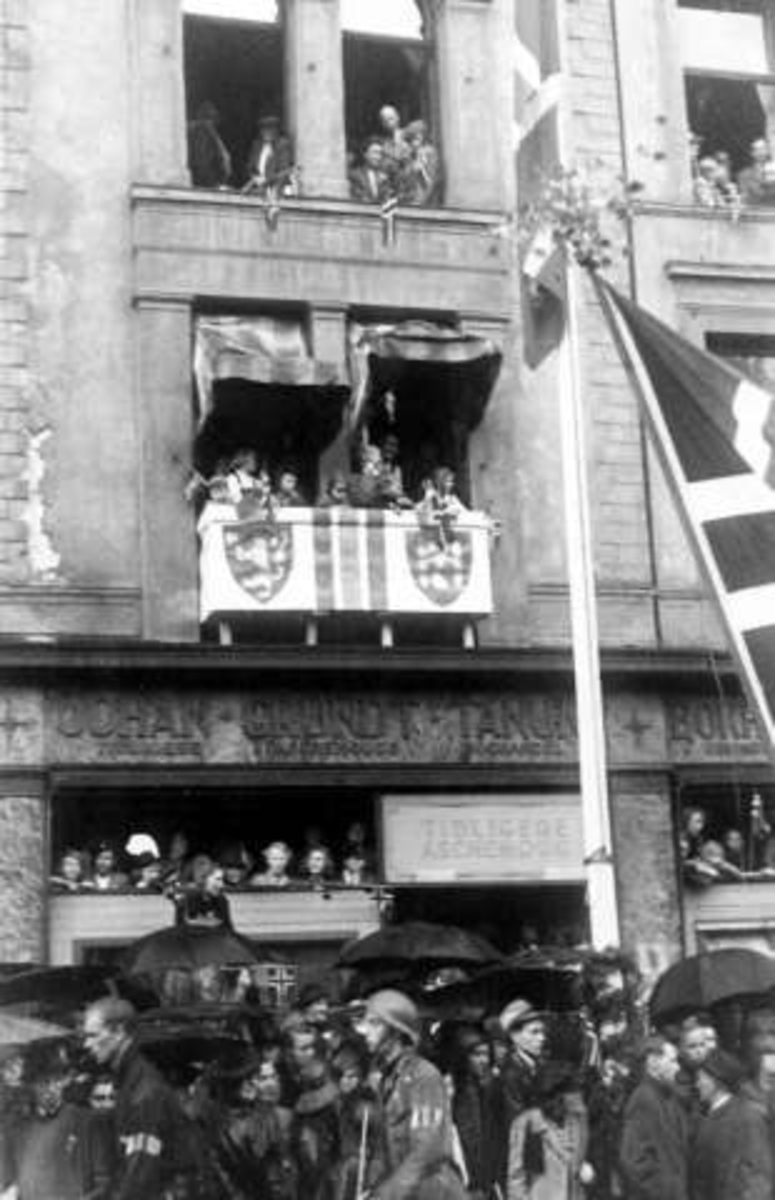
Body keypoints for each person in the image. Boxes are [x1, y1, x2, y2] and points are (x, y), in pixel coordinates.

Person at [82, 996, 203, 1200]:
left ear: (119, 1032)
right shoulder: (129, 1080)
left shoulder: (143, 1090)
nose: (87, 1044)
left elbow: (139, 1175)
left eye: (93, 1035)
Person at [357, 988, 468, 1200]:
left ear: (396, 1030)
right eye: (365, 1022)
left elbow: (427, 1151)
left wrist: (385, 1195)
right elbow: (383, 1148)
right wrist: (372, 1188)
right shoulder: (386, 1078)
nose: (365, 1031)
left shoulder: (423, 1075)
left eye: (374, 1023)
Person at [691, 1048, 772, 1200]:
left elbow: (758, 1176)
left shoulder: (747, 1118)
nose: (697, 1084)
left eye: (701, 1078)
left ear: (715, 1080)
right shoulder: (707, 1117)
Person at [507, 1060, 593, 1200]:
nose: (579, 1096)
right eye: (573, 1091)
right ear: (557, 1095)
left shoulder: (578, 1121)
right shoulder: (527, 1123)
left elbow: (580, 1164)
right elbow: (516, 1177)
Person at [619, 1034, 689, 1200]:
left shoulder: (669, 1096)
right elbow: (634, 1162)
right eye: (672, 1061)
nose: (678, 1067)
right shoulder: (642, 1100)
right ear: (653, 1062)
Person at [451, 1026, 507, 1200]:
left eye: (486, 1054)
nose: (483, 1060)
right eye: (476, 1055)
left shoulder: (484, 1087)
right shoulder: (454, 1090)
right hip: (467, 1177)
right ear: (463, 1056)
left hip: (484, 1177)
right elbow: (467, 1137)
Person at [499, 1000, 548, 1126]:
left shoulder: (539, 1065)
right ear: (514, 1036)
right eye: (534, 1032)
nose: (542, 1038)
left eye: (543, 1031)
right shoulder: (510, 1075)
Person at [245, 115, 296, 197]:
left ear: (276, 131)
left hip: (277, 189)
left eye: (270, 129)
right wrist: (255, 178)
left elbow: (284, 171)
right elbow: (251, 167)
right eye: (264, 129)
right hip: (259, 188)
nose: (267, 132)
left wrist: (266, 181)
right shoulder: (257, 145)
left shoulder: (282, 145)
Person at [187, 100, 232, 189]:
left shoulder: (188, 129)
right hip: (207, 180)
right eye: (211, 119)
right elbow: (224, 160)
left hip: (195, 178)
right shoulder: (209, 132)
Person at [399, 120, 441, 207]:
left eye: (414, 139)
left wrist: (420, 169)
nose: (412, 144)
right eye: (409, 140)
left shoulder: (428, 152)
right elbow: (405, 182)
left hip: (424, 203)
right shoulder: (411, 156)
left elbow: (430, 182)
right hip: (412, 201)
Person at [349, 138, 391, 204]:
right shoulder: (356, 175)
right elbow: (359, 198)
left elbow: (388, 199)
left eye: (380, 154)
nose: (378, 157)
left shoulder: (384, 177)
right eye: (375, 153)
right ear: (365, 154)